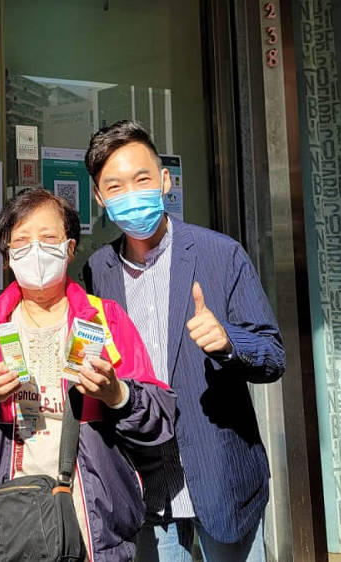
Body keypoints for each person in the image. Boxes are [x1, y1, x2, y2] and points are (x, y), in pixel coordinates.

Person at [81, 120, 286, 562]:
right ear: (99, 198)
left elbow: (273, 355)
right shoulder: (98, 270)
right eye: (114, 186)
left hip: (222, 477)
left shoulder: (221, 254)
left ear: (164, 181)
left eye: (141, 180)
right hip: (144, 486)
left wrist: (228, 341)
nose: (130, 194)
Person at [0, 187, 177, 561]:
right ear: (8, 256)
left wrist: (117, 395)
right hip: (13, 523)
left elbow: (159, 421)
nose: (35, 250)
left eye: (48, 239)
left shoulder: (105, 320)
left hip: (95, 523)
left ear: (69, 248)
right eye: (21, 242)